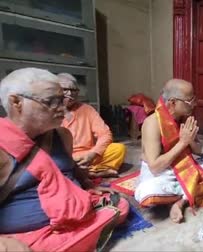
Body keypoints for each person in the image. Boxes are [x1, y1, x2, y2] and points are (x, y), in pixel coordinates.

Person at [0, 68, 129, 251]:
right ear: (16, 102)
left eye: (62, 100)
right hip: (27, 234)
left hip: (74, 215)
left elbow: (71, 167)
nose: (62, 108)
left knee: (119, 204)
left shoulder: (62, 135)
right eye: (51, 101)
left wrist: (87, 183)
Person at [134, 79, 203, 223]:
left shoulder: (184, 117)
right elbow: (155, 167)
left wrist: (191, 140)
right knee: (146, 191)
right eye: (190, 101)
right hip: (162, 171)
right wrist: (183, 143)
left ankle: (180, 201)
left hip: (186, 164)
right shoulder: (152, 123)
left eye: (194, 99)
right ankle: (196, 191)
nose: (194, 104)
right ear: (173, 102)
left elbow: (199, 150)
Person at [58, 73, 126, 178]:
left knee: (118, 148)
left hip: (88, 155)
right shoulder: (49, 112)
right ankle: (94, 172)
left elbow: (105, 134)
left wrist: (93, 153)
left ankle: (88, 172)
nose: (70, 93)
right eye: (65, 89)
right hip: (64, 158)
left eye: (74, 90)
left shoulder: (87, 109)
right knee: (53, 161)